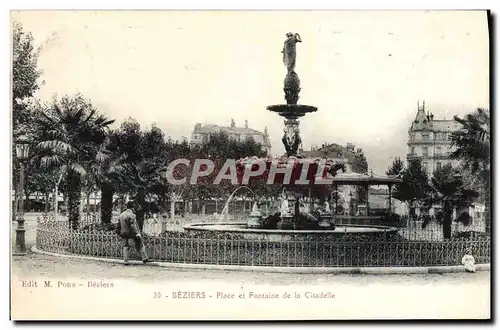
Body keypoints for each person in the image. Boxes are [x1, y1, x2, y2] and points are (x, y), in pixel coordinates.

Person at [115, 201, 149, 265]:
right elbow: (133, 226)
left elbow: (118, 225)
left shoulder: (121, 215)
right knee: (139, 245)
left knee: (125, 247)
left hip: (123, 234)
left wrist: (119, 233)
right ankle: (145, 258)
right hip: (131, 234)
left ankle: (125, 261)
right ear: (132, 208)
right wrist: (137, 233)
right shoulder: (132, 215)